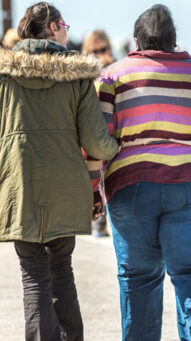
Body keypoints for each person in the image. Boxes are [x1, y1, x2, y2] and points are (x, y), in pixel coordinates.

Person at [0, 2, 119, 341]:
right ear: (51, 29)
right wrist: (117, 146)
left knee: (33, 276)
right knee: (61, 266)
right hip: (66, 186)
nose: (67, 30)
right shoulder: (76, 76)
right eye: (62, 24)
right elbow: (96, 142)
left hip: (19, 187)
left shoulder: (1, 75)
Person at [91, 5, 191, 341]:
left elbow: (98, 139)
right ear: (174, 42)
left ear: (136, 41)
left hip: (130, 188)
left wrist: (95, 184)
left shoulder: (112, 77)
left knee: (138, 278)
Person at [81, 29, 115, 237]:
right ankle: (98, 221)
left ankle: (101, 221)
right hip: (92, 134)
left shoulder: (116, 71)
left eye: (103, 49)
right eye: (94, 51)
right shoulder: (82, 76)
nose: (99, 55)